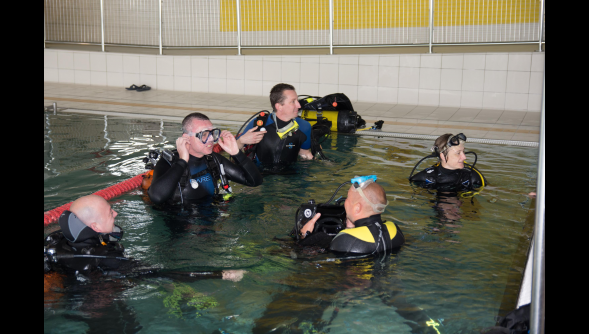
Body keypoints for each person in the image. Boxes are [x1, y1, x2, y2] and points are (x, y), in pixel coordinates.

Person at [44, 195, 245, 281]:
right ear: (94, 227)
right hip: (93, 304)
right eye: (110, 212)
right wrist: (220, 274)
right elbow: (159, 274)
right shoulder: (103, 256)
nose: (115, 215)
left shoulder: (57, 240)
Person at [147, 112, 263, 205]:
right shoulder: (169, 161)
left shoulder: (213, 159)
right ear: (187, 138)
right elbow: (157, 197)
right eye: (204, 134)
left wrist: (236, 153)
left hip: (210, 219)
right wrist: (182, 161)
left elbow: (254, 181)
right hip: (180, 226)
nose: (211, 138)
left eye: (212, 133)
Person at [298, 176, 405, 255]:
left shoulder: (345, 240)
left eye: (348, 198)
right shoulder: (396, 231)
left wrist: (304, 235)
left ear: (357, 208)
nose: (345, 202)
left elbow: (298, 254)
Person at [236, 83, 314, 164]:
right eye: (293, 101)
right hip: (261, 174)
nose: (299, 105)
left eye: (297, 100)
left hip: (291, 174)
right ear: (279, 106)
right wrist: (241, 141)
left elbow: (304, 153)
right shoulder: (258, 124)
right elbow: (234, 150)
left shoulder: (304, 126)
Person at [409, 133, 486, 191]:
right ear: (442, 156)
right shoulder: (424, 178)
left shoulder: (472, 177)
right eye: (458, 153)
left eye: (463, 151)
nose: (464, 157)